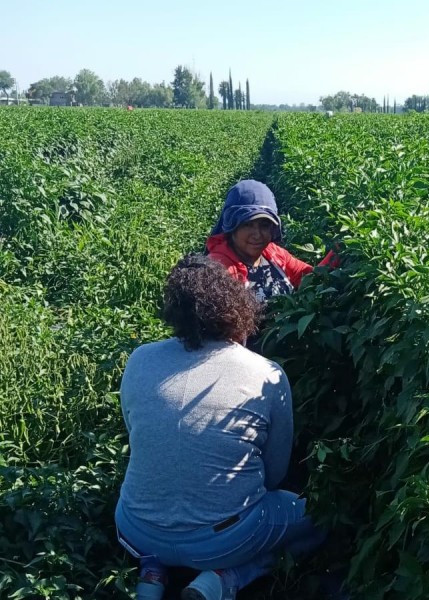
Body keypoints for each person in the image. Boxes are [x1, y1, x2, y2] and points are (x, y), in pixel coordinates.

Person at [114, 255, 325, 600]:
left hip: (135, 529)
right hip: (226, 539)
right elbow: (274, 474)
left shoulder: (140, 358)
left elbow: (139, 439)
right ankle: (227, 577)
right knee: (317, 517)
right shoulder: (265, 373)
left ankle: (153, 571)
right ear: (237, 306)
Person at [206, 179, 337, 304]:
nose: (257, 235)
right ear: (232, 226)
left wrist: (340, 250)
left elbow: (311, 279)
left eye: (264, 225)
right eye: (247, 225)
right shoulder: (218, 269)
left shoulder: (273, 253)